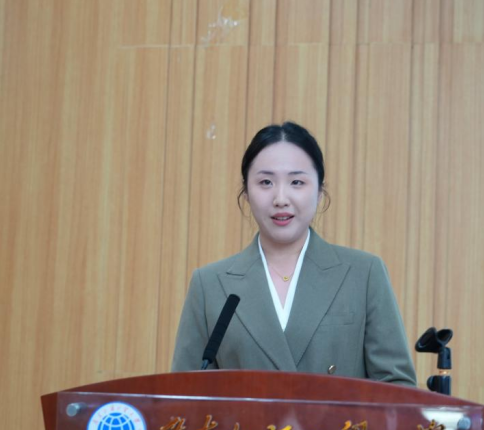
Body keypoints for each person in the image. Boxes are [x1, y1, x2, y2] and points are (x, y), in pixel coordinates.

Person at [171, 122, 417, 387]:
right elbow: (184, 394)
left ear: (319, 190)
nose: (281, 198)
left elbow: (397, 388)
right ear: (246, 192)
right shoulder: (209, 285)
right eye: (265, 182)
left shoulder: (364, 274)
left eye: (297, 182)